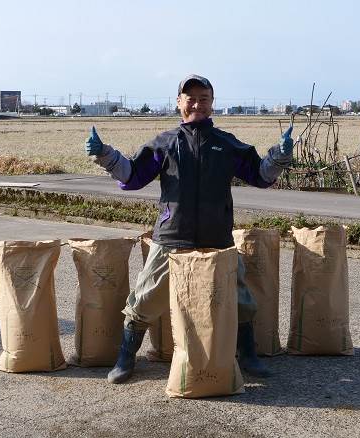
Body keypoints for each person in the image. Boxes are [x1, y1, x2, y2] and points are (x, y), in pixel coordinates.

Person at [85, 74, 294, 384]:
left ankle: (249, 357)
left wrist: (279, 156)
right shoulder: (164, 144)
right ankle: (125, 359)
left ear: (211, 105)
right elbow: (132, 176)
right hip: (171, 236)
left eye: (204, 98)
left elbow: (260, 175)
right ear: (179, 102)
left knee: (239, 300)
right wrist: (106, 155)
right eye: (191, 98)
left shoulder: (228, 144)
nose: (197, 103)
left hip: (217, 238)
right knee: (144, 300)